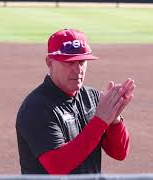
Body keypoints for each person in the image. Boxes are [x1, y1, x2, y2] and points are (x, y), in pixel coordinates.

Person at [16, 29, 135, 174]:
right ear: (49, 63)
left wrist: (114, 119)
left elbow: (119, 153)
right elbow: (57, 166)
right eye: (69, 62)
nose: (77, 69)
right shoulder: (36, 108)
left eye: (82, 61)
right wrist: (100, 121)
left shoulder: (93, 98)